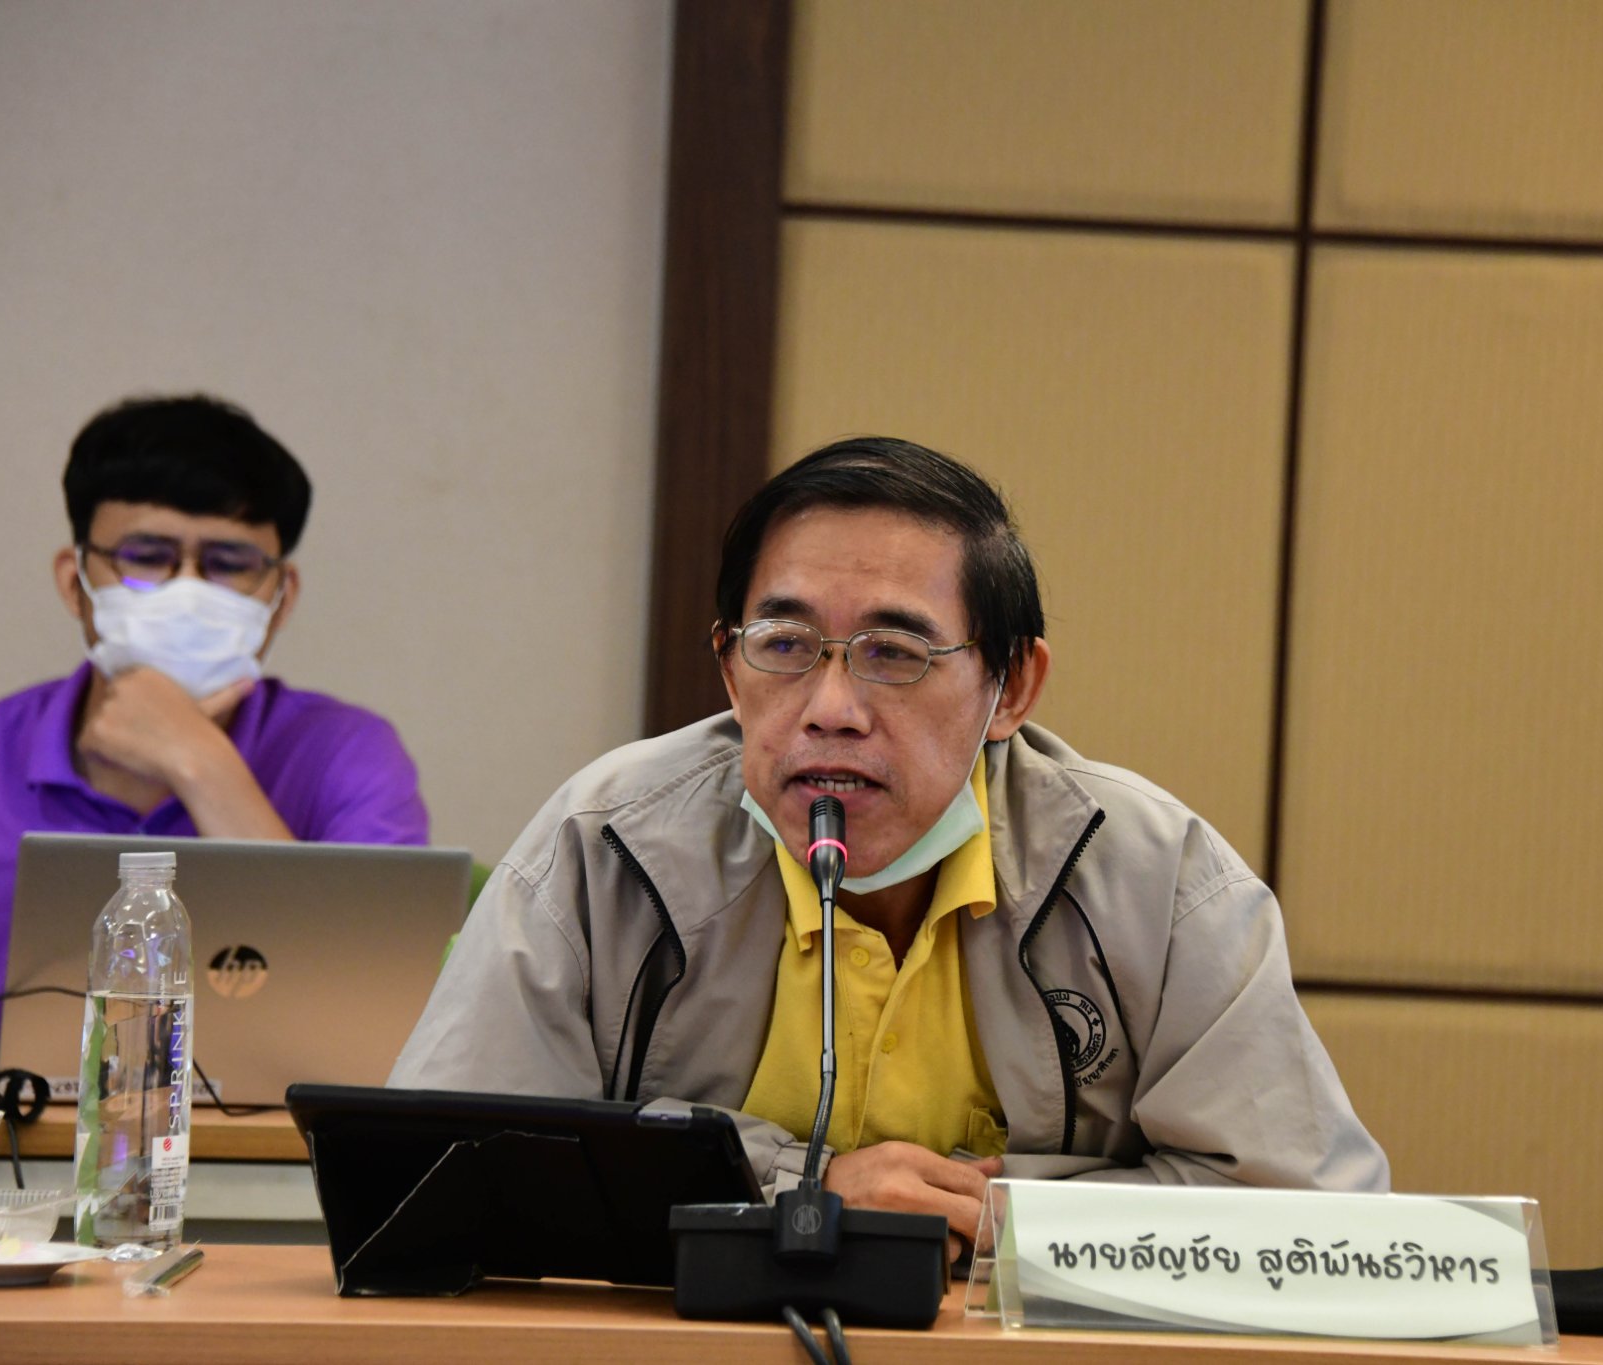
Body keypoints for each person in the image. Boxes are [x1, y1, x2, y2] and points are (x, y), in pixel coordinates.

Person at [391, 436, 1386, 1252]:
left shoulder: (1152, 878)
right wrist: (802, 1191)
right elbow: (427, 1177)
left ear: (1012, 687)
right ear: (729, 671)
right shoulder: (605, 847)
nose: (830, 708)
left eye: (894, 654)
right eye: (784, 647)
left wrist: (999, 1223)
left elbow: (1311, 1219)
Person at [0, 395, 429, 1070]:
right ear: (74, 582)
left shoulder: (352, 755)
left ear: (282, 597)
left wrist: (200, 764)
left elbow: (383, 1031)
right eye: (146, 555)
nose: (187, 591)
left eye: (229, 562)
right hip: (2, 1129)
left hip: (277, 1136)